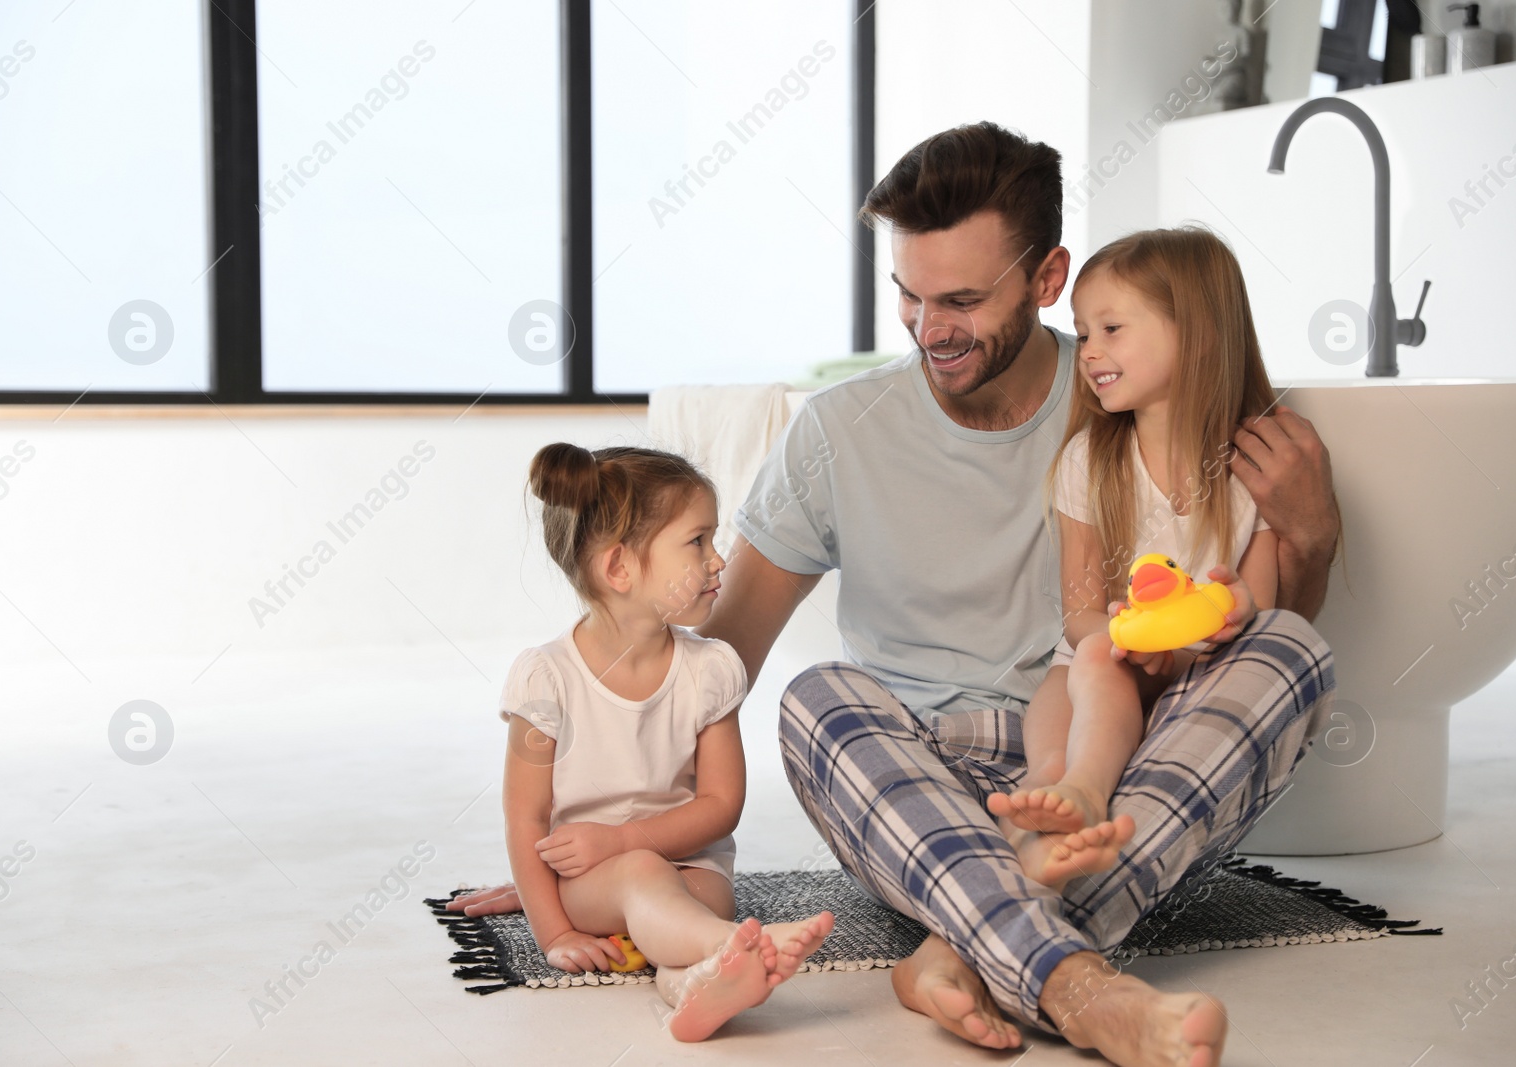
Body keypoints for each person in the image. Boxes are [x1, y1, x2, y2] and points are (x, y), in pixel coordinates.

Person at [458, 123, 1341, 1067]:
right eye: (909, 297)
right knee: (818, 697)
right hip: (915, 778)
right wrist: (591, 837)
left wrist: (1312, 533)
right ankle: (1070, 973)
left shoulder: (1126, 396)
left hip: (1109, 769)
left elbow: (1236, 629)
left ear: (1049, 278)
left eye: (961, 299)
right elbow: (715, 655)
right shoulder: (842, 431)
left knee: (1291, 648)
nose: (930, 329)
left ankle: (996, 961)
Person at [463, 442, 833, 1042]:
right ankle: (737, 945)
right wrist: (553, 931)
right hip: (592, 883)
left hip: (693, 871)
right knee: (637, 871)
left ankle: (698, 985)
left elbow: (720, 805)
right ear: (620, 569)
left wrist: (627, 837)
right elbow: (524, 814)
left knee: (674, 907)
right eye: (698, 542)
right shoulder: (545, 678)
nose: (720, 562)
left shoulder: (711, 670)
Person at [991, 227, 1291, 890]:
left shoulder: (1251, 473)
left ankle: (1080, 805)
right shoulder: (1089, 463)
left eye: (1110, 328)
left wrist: (1225, 612)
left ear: (1198, 334)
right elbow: (1078, 615)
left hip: (1196, 680)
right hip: (1103, 666)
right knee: (1073, 704)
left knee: (1262, 652)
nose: (1088, 350)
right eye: (1082, 330)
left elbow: (1264, 612)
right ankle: (1058, 815)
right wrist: (1128, 640)